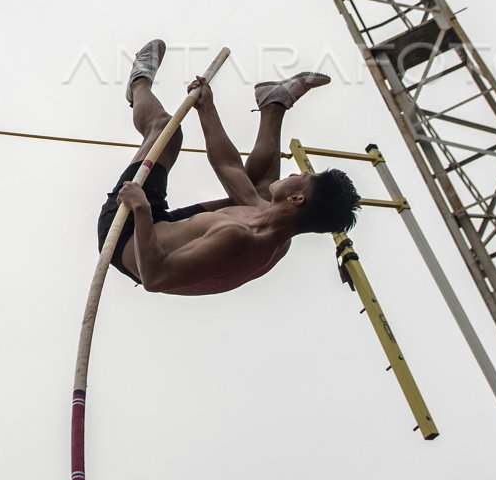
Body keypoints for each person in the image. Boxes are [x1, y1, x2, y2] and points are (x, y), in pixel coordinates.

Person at [97, 40, 360, 296]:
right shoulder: (276, 231)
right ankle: (274, 103)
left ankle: (138, 82)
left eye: (302, 176)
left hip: (128, 233)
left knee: (166, 130)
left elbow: (155, 278)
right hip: (169, 228)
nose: (295, 173)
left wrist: (141, 208)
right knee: (260, 192)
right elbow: (228, 167)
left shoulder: (237, 237)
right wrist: (206, 109)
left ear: (296, 197)